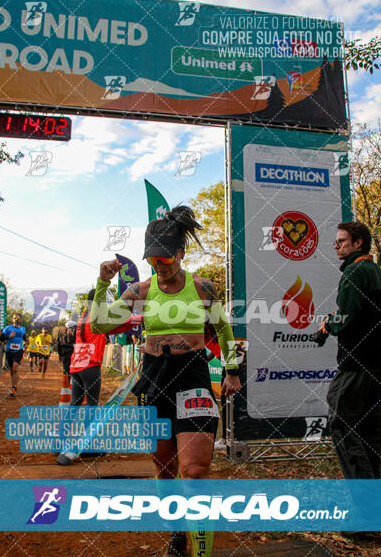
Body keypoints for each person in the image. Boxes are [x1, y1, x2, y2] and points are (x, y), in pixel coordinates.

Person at [90, 206, 241, 557]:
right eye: (153, 259)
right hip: (154, 378)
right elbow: (100, 324)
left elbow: (223, 329)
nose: (160, 266)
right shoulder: (141, 290)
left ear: (181, 253)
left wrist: (231, 370)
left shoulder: (203, 288)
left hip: (193, 377)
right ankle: (177, 533)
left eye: (165, 258)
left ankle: (201, 551)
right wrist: (102, 283)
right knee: (165, 467)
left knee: (194, 471)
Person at [317, 221, 381, 479]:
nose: (336, 245)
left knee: (342, 423)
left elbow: (346, 317)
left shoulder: (354, 272)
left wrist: (328, 324)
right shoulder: (376, 271)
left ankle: (367, 502)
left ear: (358, 243)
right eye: (336, 241)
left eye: (341, 241)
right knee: (370, 431)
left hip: (357, 362)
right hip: (378, 364)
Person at [70, 290, 106, 406]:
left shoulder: (84, 315)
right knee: (92, 404)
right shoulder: (97, 316)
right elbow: (119, 324)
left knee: (75, 402)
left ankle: (64, 425)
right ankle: (89, 425)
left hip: (77, 364)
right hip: (90, 365)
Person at [0, 313, 27, 396]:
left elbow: (24, 338)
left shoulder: (23, 329)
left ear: (20, 320)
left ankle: (14, 387)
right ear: (12, 319)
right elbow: (0, 338)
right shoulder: (8, 328)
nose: (16, 319)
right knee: (12, 370)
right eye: (14, 318)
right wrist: (9, 336)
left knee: (15, 368)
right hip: (9, 351)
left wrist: (26, 343)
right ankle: (13, 386)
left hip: (18, 351)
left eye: (18, 318)